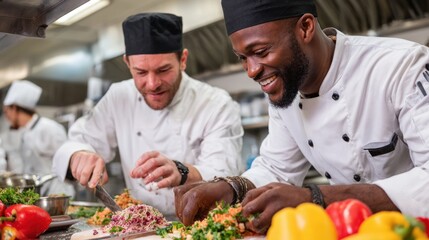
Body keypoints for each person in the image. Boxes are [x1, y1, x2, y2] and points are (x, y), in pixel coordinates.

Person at [174, 0, 429, 233]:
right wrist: (231, 187)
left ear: (305, 27)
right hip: (350, 230)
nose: (251, 71)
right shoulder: (287, 86)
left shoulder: (401, 67)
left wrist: (315, 199)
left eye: (261, 52)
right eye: (243, 58)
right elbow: (277, 168)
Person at [53, 13, 243, 219]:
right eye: (141, 72)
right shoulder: (119, 97)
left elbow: (226, 170)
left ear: (183, 60)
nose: (152, 84)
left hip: (201, 225)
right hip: (139, 225)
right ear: (128, 63)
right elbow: (78, 141)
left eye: (163, 70)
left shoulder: (215, 103)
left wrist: (182, 171)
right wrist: (79, 155)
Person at [2, 80, 75, 197]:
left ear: (15, 108)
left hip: (57, 194)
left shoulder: (50, 128)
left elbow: (68, 164)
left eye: (7, 111)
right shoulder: (25, 132)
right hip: (40, 194)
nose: (7, 117)